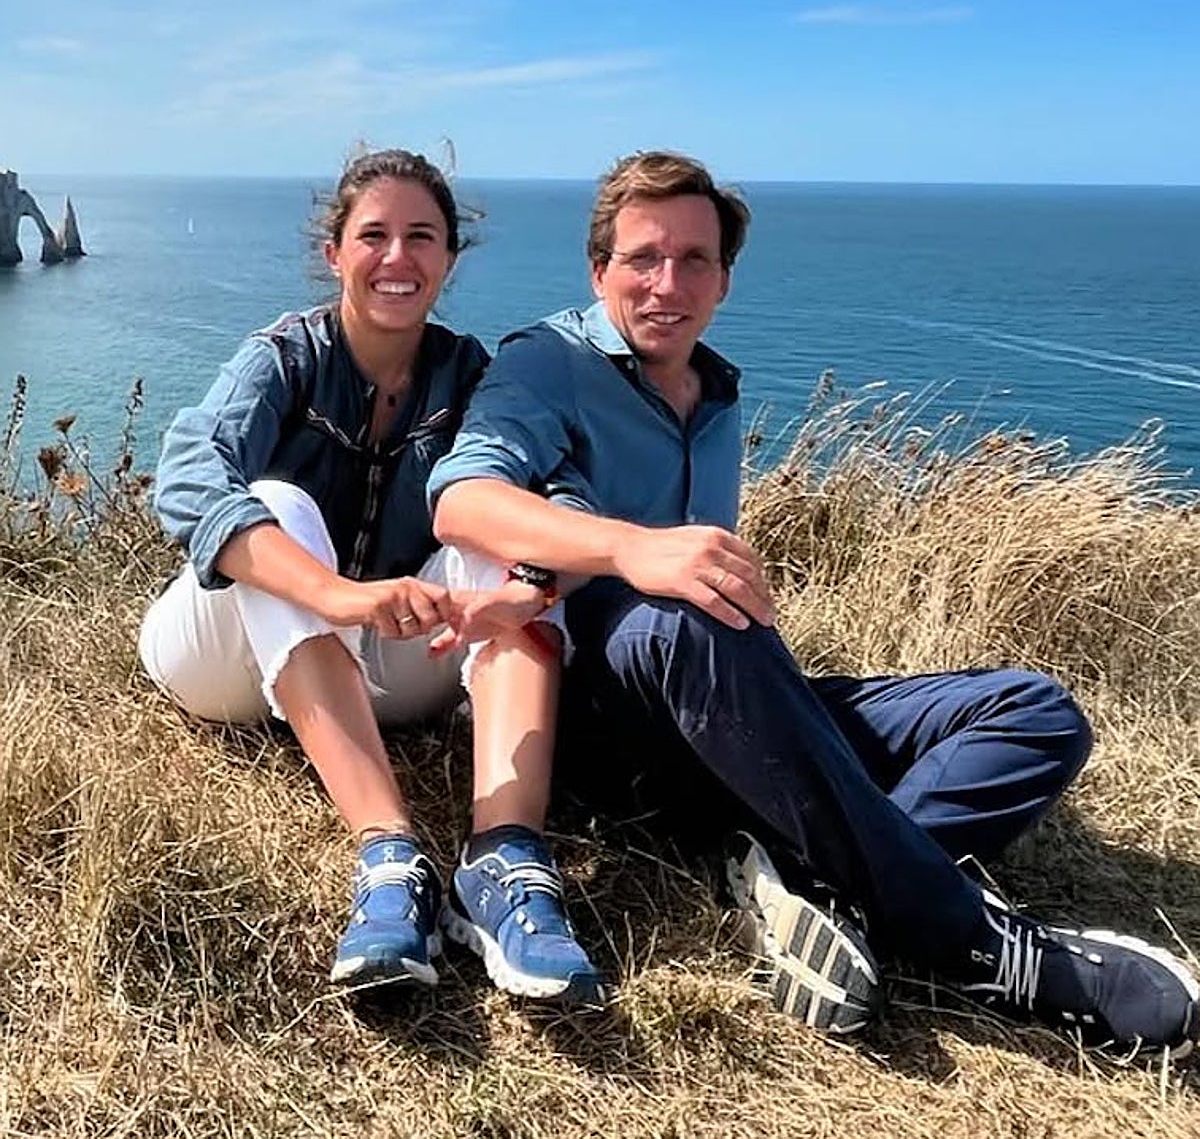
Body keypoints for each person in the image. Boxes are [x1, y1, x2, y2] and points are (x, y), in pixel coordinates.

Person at [427, 149, 1200, 1056]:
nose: (665, 283)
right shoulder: (545, 363)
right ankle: (979, 944)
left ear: (724, 280)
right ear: (600, 271)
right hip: (613, 715)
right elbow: (462, 499)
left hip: (731, 692)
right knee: (688, 617)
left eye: (694, 261)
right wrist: (634, 548)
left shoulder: (716, 391)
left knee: (1035, 713)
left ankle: (818, 882)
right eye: (642, 258)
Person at [138, 147, 602, 1004]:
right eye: (375, 235)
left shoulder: (471, 378)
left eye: (421, 236)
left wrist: (526, 585)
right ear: (335, 254)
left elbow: (560, 495)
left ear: (450, 259)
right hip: (221, 659)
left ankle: (504, 862)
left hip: (383, 667)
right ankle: (391, 859)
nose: (398, 258)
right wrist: (338, 596)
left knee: (501, 523)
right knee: (277, 500)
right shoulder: (284, 357)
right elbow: (189, 473)